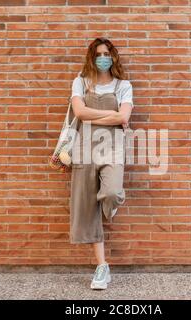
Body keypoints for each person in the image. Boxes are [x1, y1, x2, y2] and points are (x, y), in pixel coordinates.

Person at [69, 37, 134, 290]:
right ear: (91, 57)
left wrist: (96, 115)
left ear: (113, 56)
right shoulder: (81, 81)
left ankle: (111, 204)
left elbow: (125, 116)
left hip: (113, 146)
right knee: (87, 207)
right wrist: (113, 115)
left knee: (111, 192)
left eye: (107, 53)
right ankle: (102, 267)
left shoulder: (123, 85)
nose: (102, 58)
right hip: (84, 146)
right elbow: (80, 113)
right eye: (98, 54)